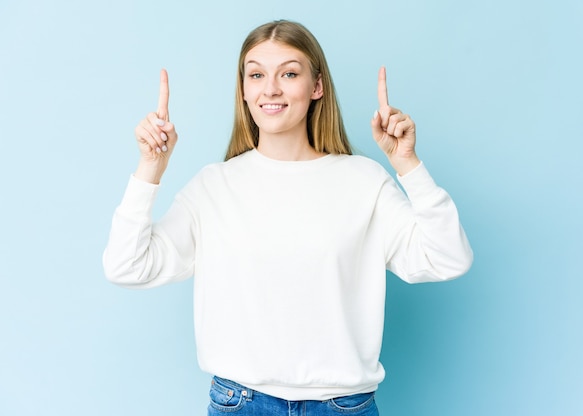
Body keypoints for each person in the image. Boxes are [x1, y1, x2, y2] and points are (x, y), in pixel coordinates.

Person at [103, 19, 472, 416]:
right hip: (240, 404)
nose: (271, 88)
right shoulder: (213, 187)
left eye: (289, 73)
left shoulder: (363, 181)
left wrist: (408, 165)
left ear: (317, 87)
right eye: (257, 74)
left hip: (342, 406)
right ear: (244, 91)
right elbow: (127, 266)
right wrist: (150, 168)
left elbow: (448, 258)